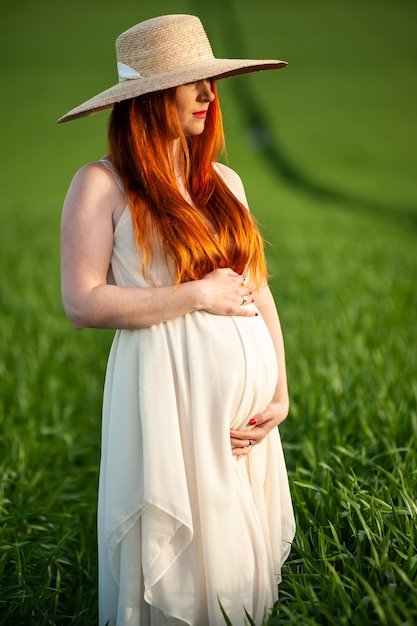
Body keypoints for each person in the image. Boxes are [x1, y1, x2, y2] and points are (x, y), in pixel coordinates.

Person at [59, 14, 295, 626]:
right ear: (147, 97)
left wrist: (280, 392)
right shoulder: (100, 184)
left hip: (241, 421)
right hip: (168, 396)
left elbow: (255, 291)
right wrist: (195, 296)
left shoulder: (223, 181)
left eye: (211, 83)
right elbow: (83, 301)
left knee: (240, 571)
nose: (210, 95)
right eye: (194, 83)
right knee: (184, 569)